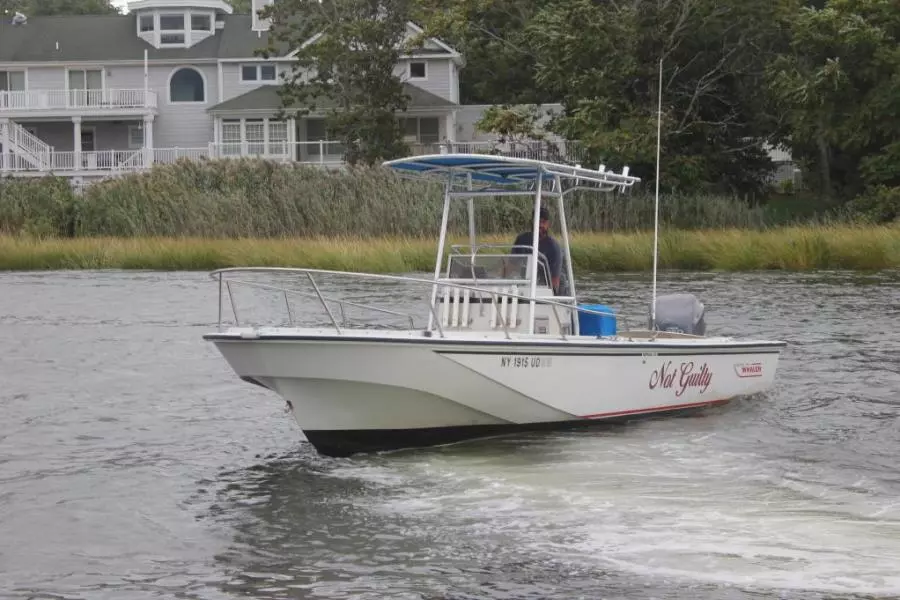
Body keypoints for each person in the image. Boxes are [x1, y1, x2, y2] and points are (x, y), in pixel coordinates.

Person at [511, 206, 562, 294]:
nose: (540, 225)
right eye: (537, 221)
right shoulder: (521, 240)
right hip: (521, 289)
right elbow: (511, 267)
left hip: (543, 291)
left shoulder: (554, 247)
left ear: (548, 224)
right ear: (532, 222)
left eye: (543, 222)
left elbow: (554, 281)